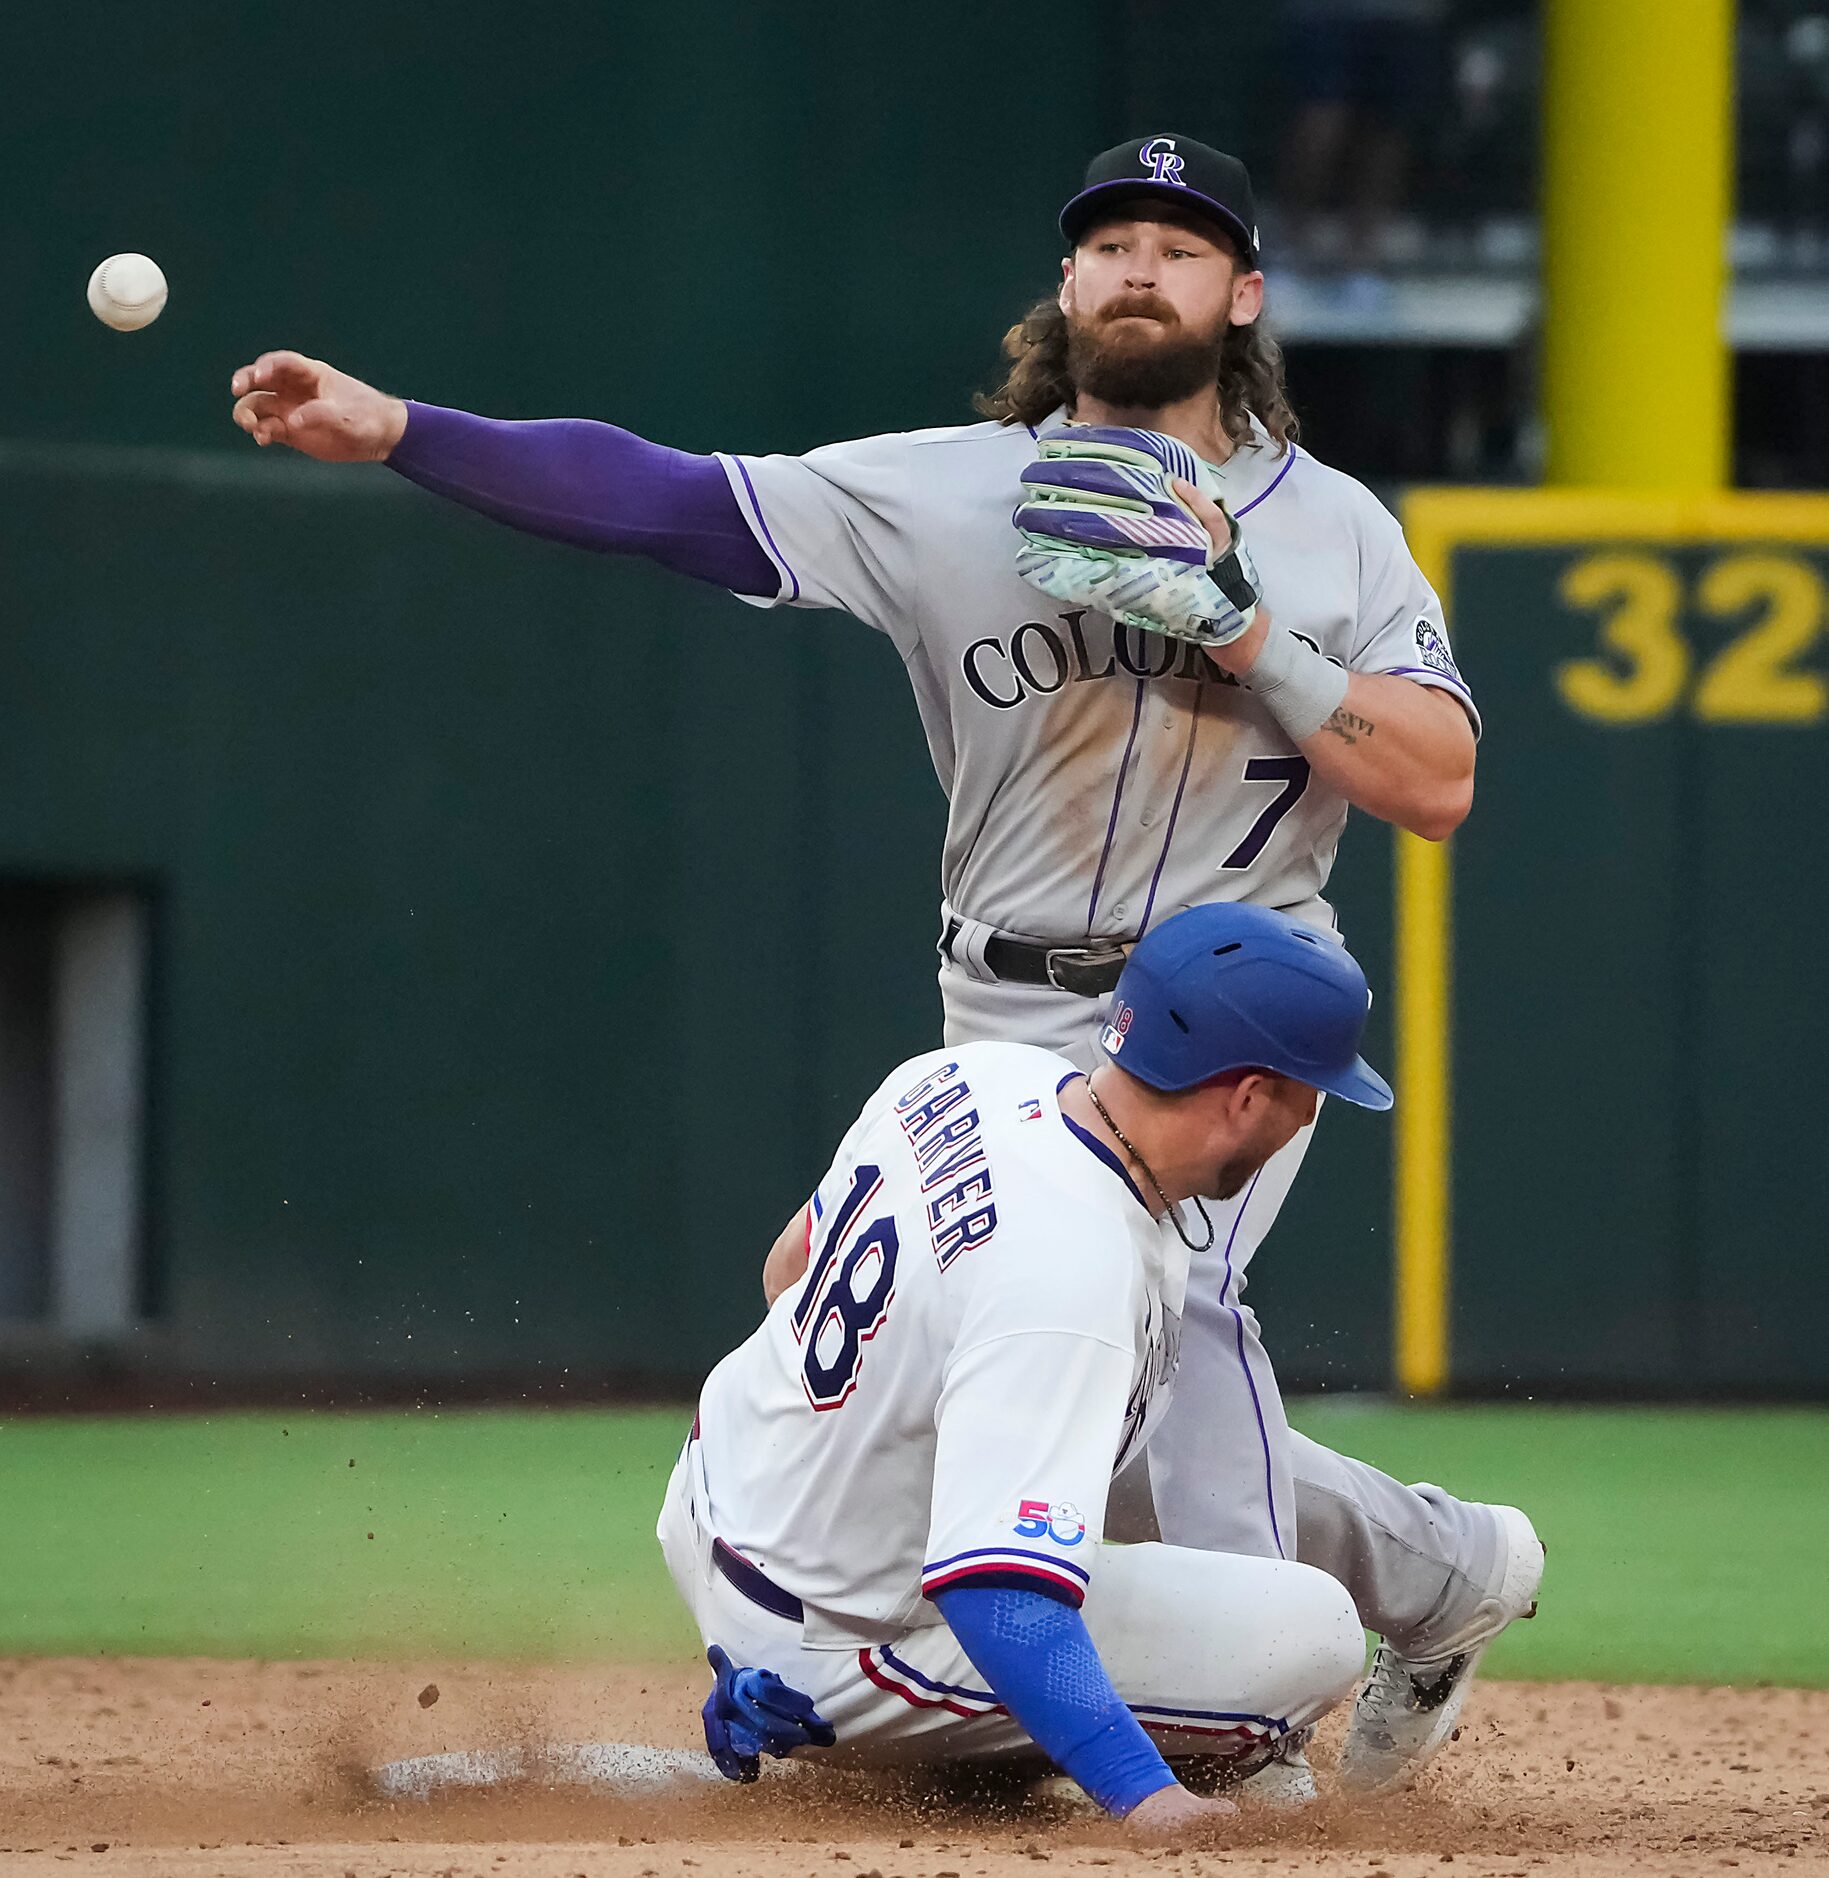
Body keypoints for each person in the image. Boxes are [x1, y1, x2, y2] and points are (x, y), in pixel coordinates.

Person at [229, 131, 1540, 1793]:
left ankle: (1248, 1744)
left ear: (1243, 296)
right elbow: (664, 498)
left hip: (1228, 1007)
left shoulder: (1333, 532)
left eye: (1179, 244)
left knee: (1174, 1308)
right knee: (949, 1342)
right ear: (1066, 287)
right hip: (1002, 1000)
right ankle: (1435, 1573)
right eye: (1109, 243)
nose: (1139, 266)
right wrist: (407, 430)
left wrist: (1238, 627)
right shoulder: (942, 489)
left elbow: (1432, 783)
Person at [661, 904, 1382, 1840]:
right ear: (1246, 1095)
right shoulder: (1072, 1273)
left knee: (1043, 1531)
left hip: (717, 1496)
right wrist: (1146, 1798)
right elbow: (996, 1589)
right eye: (1309, 1090)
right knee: (1309, 1635)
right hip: (828, 1645)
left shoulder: (975, 1072)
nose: (1309, 1114)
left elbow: (784, 1270)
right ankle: (861, 1743)